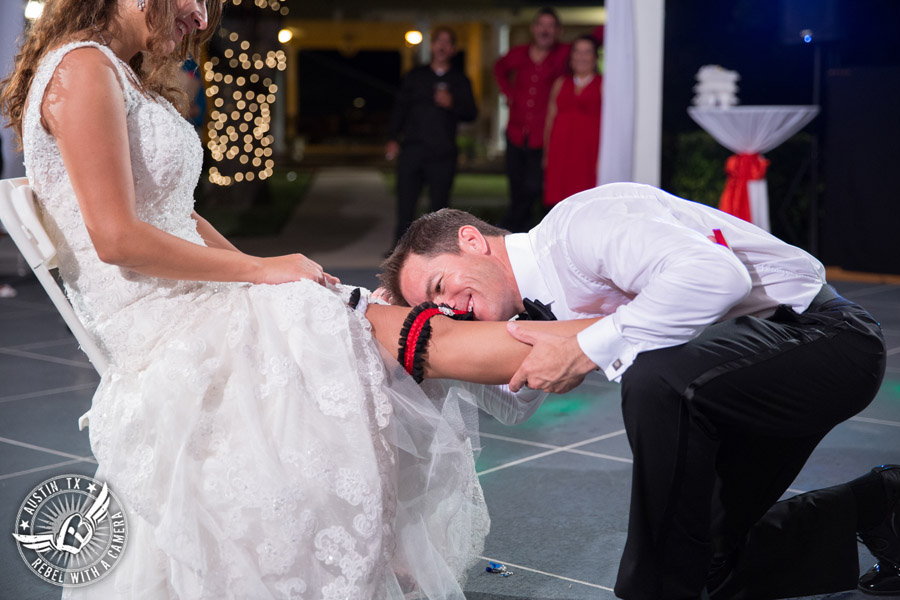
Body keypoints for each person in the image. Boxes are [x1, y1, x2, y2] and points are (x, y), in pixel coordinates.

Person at [0, 1, 598, 597]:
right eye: (197, 0)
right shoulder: (80, 69)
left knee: (350, 311)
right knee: (351, 324)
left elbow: (179, 217)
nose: (202, 20)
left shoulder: (113, 69)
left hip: (194, 297)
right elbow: (116, 238)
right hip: (160, 322)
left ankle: (564, 345)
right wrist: (259, 270)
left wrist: (258, 274)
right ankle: (587, 340)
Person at [379, 183, 898, 599]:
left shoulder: (580, 227)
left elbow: (720, 276)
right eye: (436, 308)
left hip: (826, 340)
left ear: (471, 240)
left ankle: (651, 591)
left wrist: (586, 346)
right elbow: (516, 403)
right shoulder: (532, 304)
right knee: (712, 565)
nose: (448, 307)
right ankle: (880, 505)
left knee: (656, 380)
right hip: (733, 374)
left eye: (440, 287)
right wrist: (424, 349)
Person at [385, 26, 476, 245]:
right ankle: (400, 252)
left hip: (443, 153)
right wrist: (391, 138)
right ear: (432, 46)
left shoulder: (460, 80)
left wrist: (452, 103)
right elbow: (400, 109)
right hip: (413, 149)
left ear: (453, 49)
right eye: (439, 41)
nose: (442, 46)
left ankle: (436, 253)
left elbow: (471, 113)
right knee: (406, 204)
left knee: (440, 210)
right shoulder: (415, 76)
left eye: (447, 42)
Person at [493, 7, 568, 233]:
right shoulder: (518, 53)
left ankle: (523, 225)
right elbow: (499, 68)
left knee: (535, 185)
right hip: (516, 131)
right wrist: (508, 92)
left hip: (542, 134)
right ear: (533, 28)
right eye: (541, 25)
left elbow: (593, 41)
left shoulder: (563, 54)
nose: (545, 30)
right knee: (516, 184)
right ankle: (519, 229)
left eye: (550, 26)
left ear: (557, 31)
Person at [542, 34, 602, 210]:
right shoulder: (560, 83)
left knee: (585, 203)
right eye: (577, 52)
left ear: (595, 57)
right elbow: (550, 119)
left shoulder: (603, 84)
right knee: (558, 206)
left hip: (587, 154)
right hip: (559, 153)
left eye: (587, 52)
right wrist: (546, 153)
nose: (582, 57)